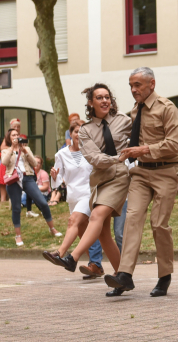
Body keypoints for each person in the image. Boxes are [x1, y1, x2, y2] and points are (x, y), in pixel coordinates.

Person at [104, 67, 178, 297]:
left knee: (159, 225)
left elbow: (175, 144)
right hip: (140, 172)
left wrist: (144, 149)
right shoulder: (134, 110)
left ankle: (164, 276)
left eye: (137, 85)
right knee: (132, 218)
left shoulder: (166, 108)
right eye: (131, 85)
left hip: (166, 172)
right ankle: (124, 276)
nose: (133, 89)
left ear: (152, 84)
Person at [43, 83, 131, 289]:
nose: (104, 100)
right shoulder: (85, 131)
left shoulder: (124, 121)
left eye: (107, 97)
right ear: (90, 103)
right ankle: (123, 278)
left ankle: (72, 258)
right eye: (99, 97)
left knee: (96, 216)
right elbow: (95, 159)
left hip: (119, 175)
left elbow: (139, 135)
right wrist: (119, 156)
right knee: (104, 233)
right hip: (99, 178)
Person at [47, 123, 100, 276]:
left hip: (89, 194)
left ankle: (60, 253)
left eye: (83, 132)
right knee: (84, 233)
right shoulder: (61, 154)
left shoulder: (91, 152)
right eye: (76, 131)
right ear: (70, 135)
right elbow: (57, 180)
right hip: (73, 197)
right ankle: (96, 265)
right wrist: (54, 177)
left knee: (72, 221)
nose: (79, 134)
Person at [1, 130, 60, 246]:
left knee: (43, 202)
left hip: (27, 177)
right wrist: (12, 149)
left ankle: (52, 228)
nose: (16, 137)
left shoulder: (26, 149)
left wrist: (25, 152)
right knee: (16, 208)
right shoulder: (5, 151)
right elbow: (4, 162)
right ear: (9, 138)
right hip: (13, 179)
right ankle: (18, 236)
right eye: (13, 135)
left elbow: (34, 163)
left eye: (17, 135)